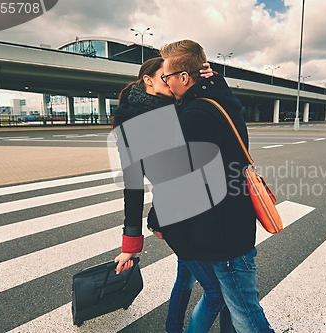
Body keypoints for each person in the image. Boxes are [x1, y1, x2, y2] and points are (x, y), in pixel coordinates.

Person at [146, 40, 275, 333]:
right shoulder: (221, 103)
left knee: (247, 315)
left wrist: (156, 219)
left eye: (167, 77)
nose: (166, 82)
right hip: (231, 222)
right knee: (228, 301)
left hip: (221, 232)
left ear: (184, 77)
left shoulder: (196, 115)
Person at [112, 57, 232, 333]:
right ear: (149, 80)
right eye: (164, 75)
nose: (170, 79)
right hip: (176, 216)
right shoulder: (131, 122)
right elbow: (132, 184)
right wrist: (131, 242)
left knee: (186, 278)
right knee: (217, 291)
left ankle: (172, 327)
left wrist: (209, 81)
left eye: (172, 75)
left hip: (197, 210)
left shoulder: (180, 108)